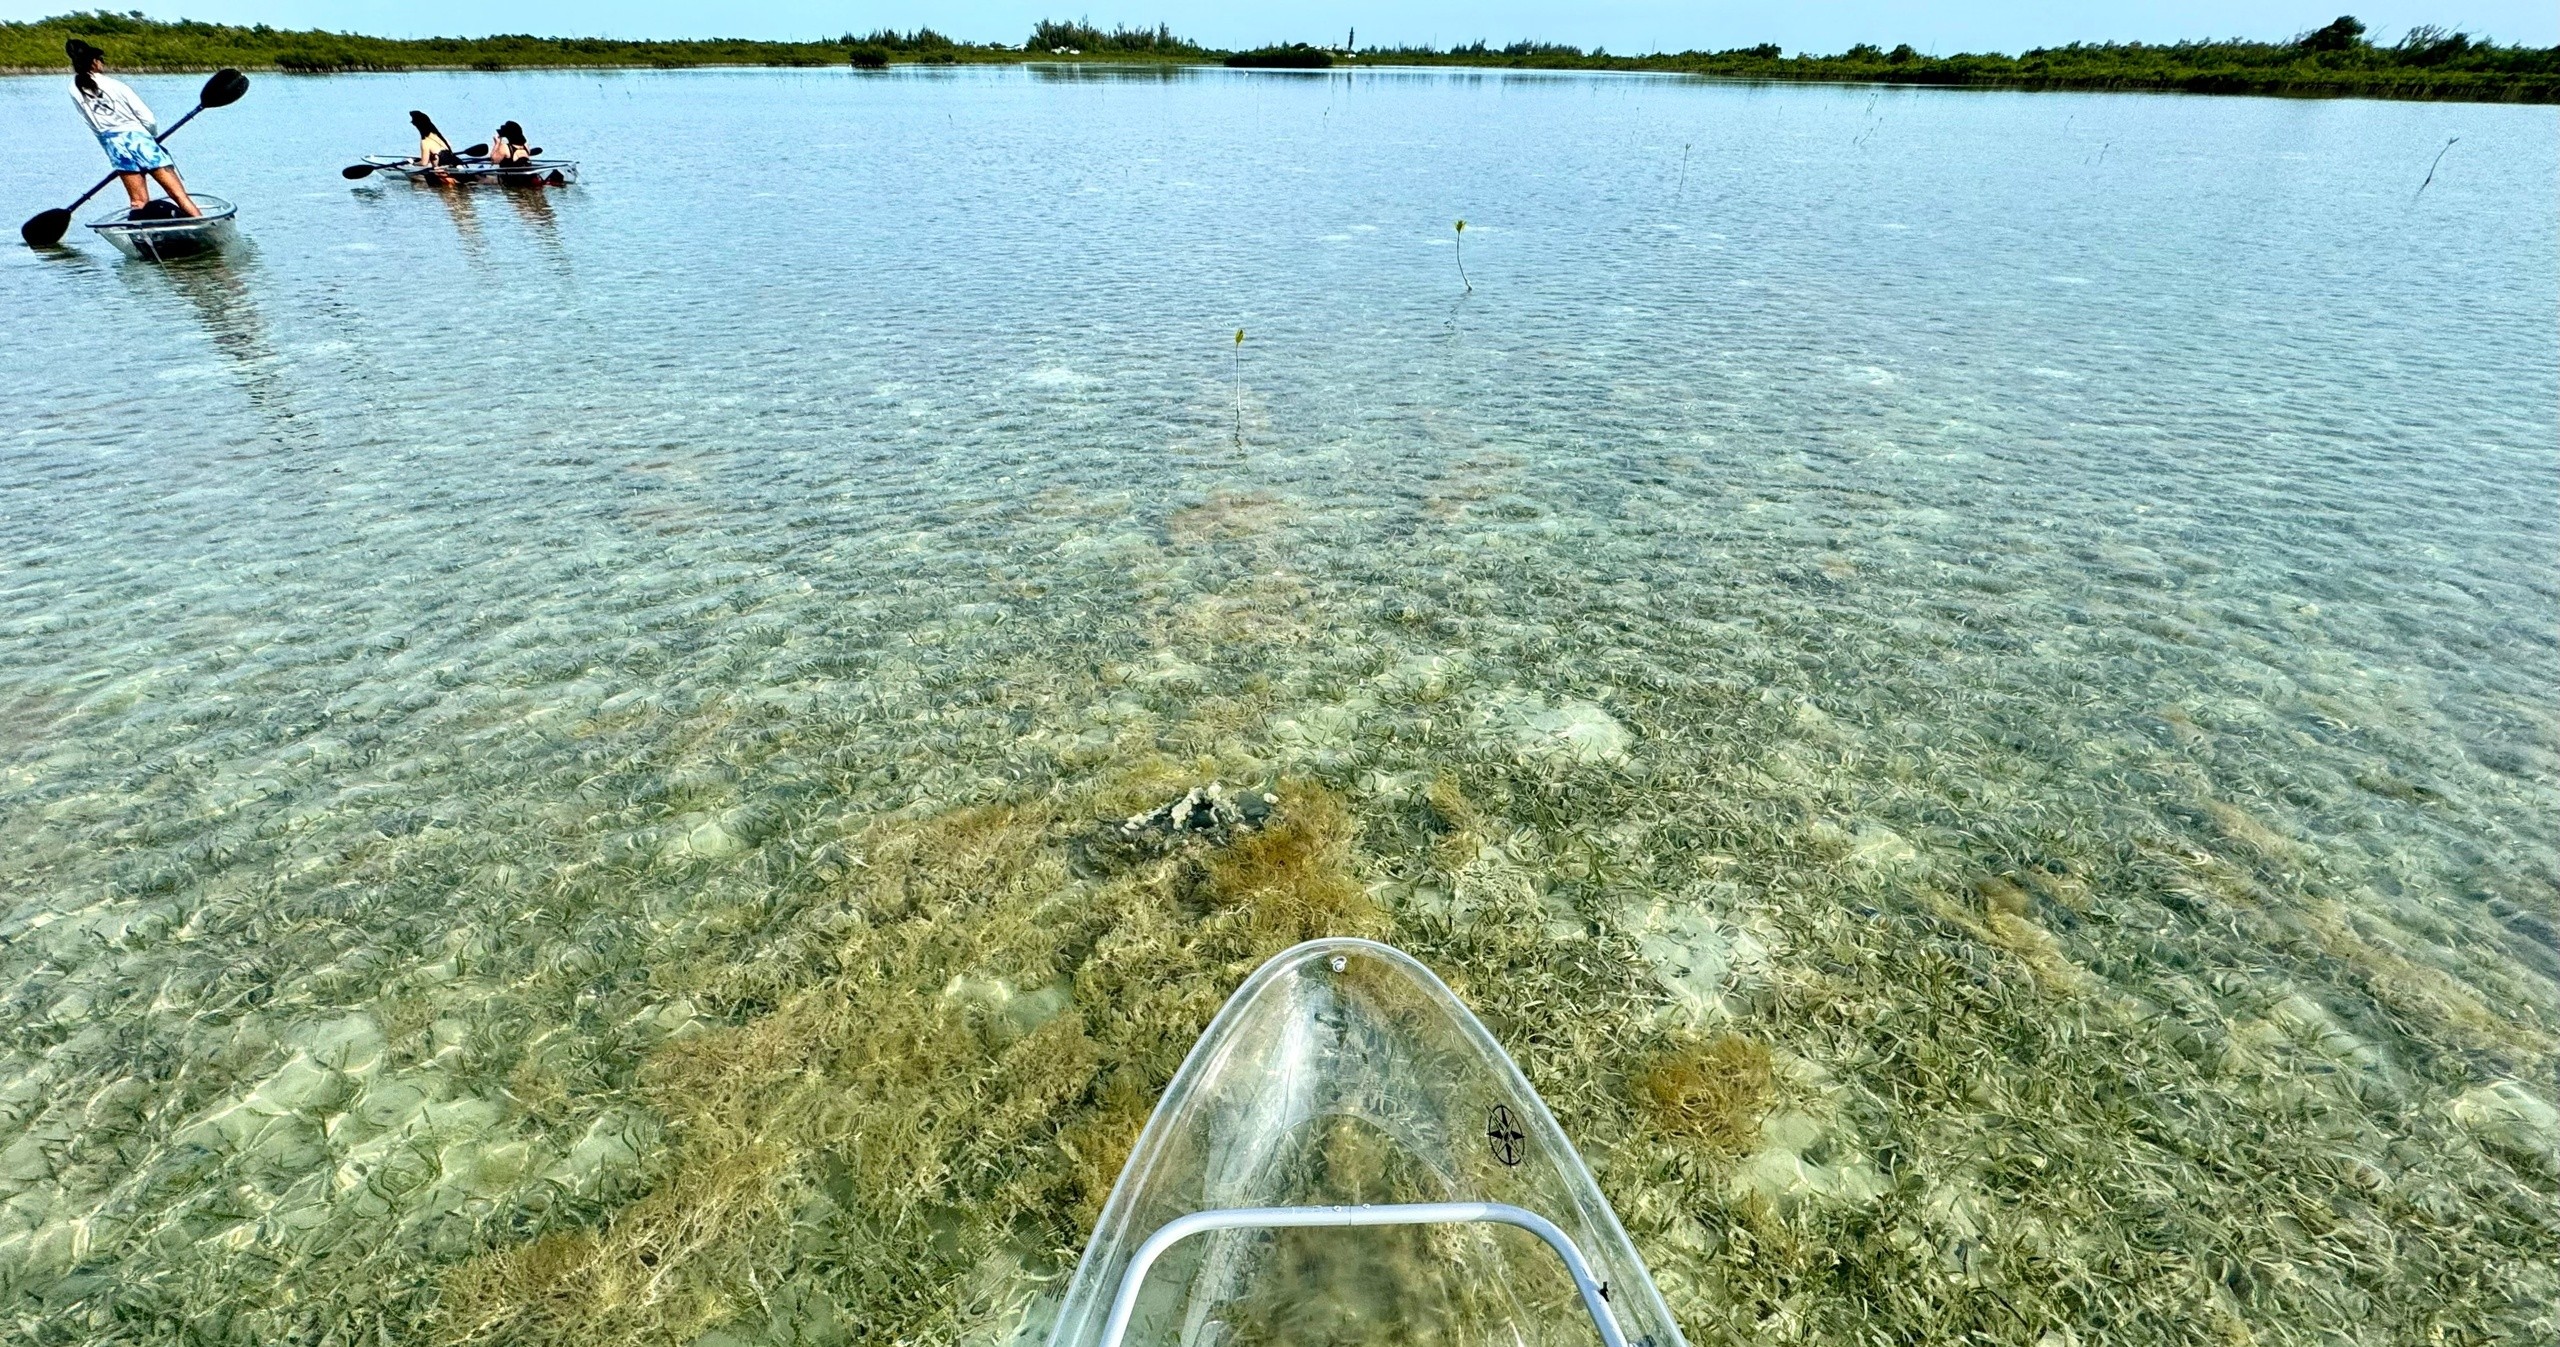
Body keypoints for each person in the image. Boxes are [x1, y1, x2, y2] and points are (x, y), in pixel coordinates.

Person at [66, 39, 201, 219]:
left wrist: (109, 145)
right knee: (177, 194)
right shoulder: (116, 85)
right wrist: (150, 136)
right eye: (101, 59)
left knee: (138, 201)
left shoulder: (73, 88)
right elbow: (148, 118)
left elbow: (90, 123)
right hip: (140, 140)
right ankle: (207, 227)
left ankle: (141, 238)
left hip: (113, 145)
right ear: (94, 62)